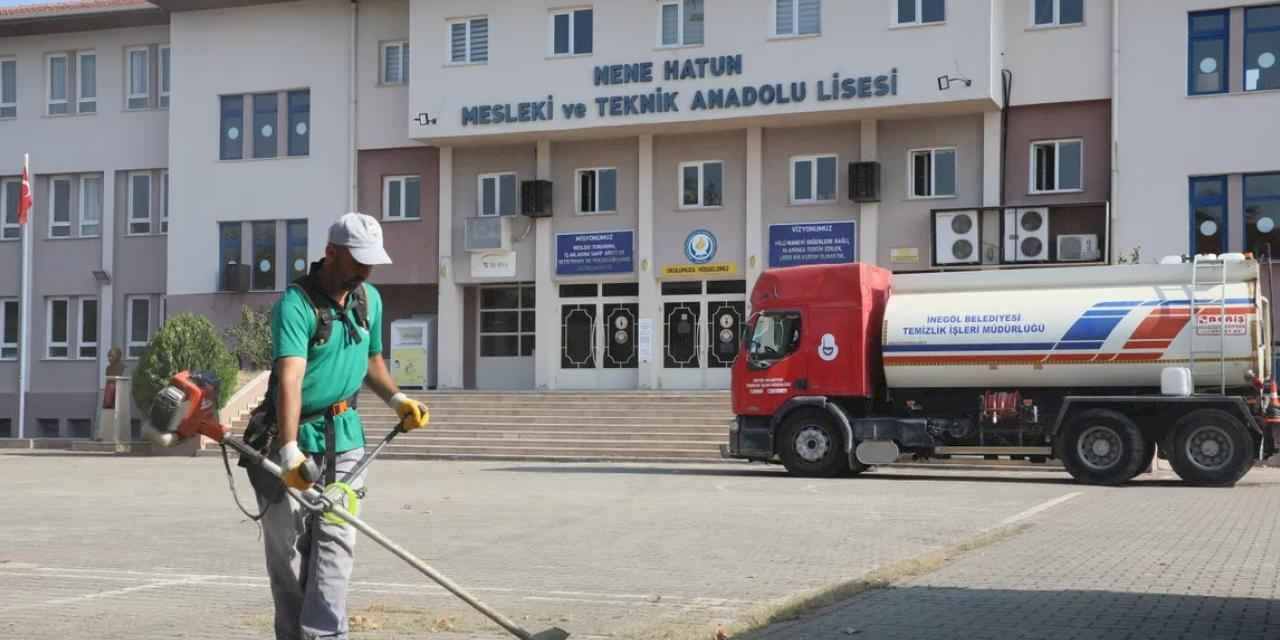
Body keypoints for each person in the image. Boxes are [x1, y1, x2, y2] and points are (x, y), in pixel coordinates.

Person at [252, 211, 430, 640]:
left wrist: (397, 399)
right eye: (358, 262)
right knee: (288, 556)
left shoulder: (369, 299)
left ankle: (327, 636)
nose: (366, 271)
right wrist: (290, 449)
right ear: (330, 253)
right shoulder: (295, 305)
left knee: (335, 545)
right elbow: (290, 377)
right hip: (287, 440)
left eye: (371, 263)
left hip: (346, 438)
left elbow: (371, 360)